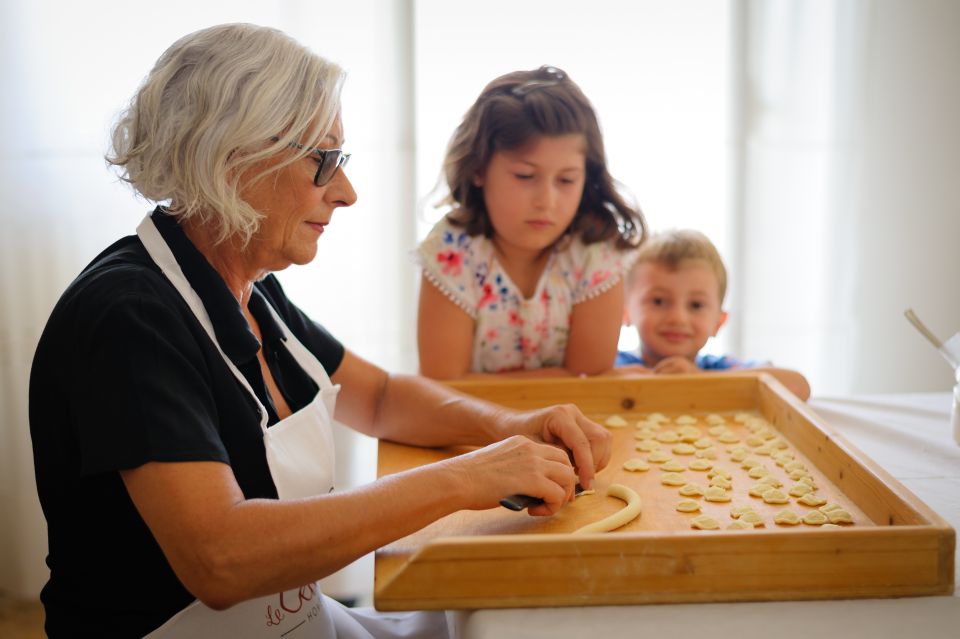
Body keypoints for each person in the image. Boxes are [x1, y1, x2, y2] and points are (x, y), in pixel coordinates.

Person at [28, 24, 612, 639]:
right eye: (323, 160)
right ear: (232, 157)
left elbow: (381, 397)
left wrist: (506, 426)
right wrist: (468, 477)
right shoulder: (129, 319)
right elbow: (220, 559)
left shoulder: (250, 288)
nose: (347, 192)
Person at [416, 65, 647, 379]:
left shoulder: (596, 251)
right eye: (525, 176)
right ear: (479, 170)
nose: (547, 201)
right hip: (467, 428)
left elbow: (589, 383)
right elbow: (444, 389)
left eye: (566, 180)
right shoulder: (450, 251)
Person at [615, 228, 811, 400]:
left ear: (719, 322)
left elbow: (798, 386)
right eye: (658, 301)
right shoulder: (616, 367)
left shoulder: (718, 369)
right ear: (625, 312)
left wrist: (699, 378)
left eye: (696, 305)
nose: (678, 318)